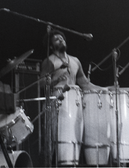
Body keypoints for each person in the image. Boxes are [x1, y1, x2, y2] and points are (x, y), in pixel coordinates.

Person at [40, 29, 104, 166]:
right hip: (57, 102)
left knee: (74, 141)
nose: (61, 40)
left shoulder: (75, 61)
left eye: (62, 38)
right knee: (57, 144)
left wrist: (104, 90)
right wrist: (55, 81)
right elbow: (41, 83)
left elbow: (85, 84)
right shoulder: (49, 62)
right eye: (56, 39)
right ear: (51, 46)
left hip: (75, 102)